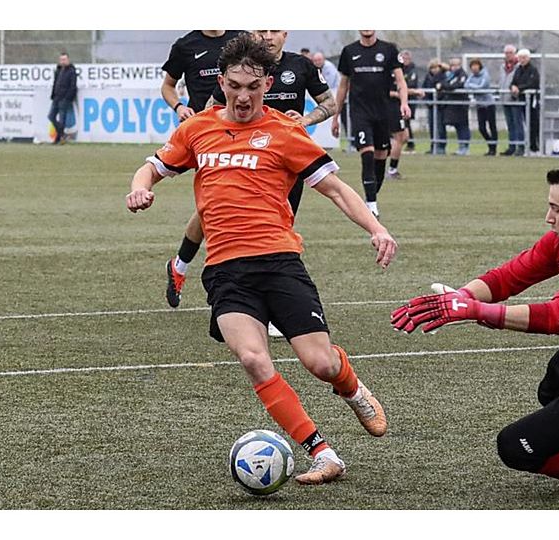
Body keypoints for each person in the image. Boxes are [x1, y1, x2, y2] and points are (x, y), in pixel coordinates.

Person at [126, 33, 396, 486]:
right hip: (227, 271)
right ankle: (322, 452)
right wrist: (140, 187)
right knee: (253, 359)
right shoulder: (197, 129)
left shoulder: (285, 132)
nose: (244, 95)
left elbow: (333, 189)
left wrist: (376, 227)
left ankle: (349, 385)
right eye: (235, 85)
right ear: (222, 82)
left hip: (280, 264)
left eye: (253, 87)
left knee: (320, 363)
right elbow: (152, 166)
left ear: (267, 84)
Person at [390, 159, 559, 485]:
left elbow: (556, 315)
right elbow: (510, 276)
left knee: (515, 447)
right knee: (551, 386)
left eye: (556, 208)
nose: (548, 217)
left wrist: (475, 311)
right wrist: (463, 295)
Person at [164, 30, 336, 335]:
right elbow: (209, 107)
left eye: (274, 30)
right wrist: (201, 135)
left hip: (284, 160)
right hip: (237, 152)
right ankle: (182, 266)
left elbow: (329, 103)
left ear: (285, 33)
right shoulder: (233, 62)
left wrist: (306, 120)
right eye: (261, 29)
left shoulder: (300, 66)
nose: (268, 36)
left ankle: (270, 304)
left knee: (279, 225)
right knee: (208, 214)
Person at [331, 31, 410, 218]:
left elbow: (400, 81)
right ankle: (372, 205)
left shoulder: (389, 50)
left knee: (381, 156)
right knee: (367, 153)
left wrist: (404, 103)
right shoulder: (349, 51)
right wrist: (336, 116)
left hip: (383, 113)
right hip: (360, 113)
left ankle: (371, 198)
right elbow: (343, 86)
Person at [161, 30, 246, 119]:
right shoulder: (184, 46)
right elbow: (167, 86)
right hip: (201, 120)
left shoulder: (242, 39)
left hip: (238, 119)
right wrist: (179, 107)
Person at [465, 58, 498, 156]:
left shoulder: (485, 75)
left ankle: (493, 148)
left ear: (480, 66)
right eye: (472, 66)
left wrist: (472, 86)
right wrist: (473, 86)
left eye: (476, 65)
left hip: (489, 104)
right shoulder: (471, 76)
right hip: (480, 105)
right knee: (481, 128)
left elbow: (482, 87)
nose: (474, 68)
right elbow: (466, 85)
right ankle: (490, 144)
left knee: (492, 126)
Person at [512, 49, 541, 154]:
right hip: (521, 101)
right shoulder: (518, 69)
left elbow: (533, 83)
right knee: (522, 123)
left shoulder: (533, 70)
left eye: (524, 57)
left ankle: (535, 147)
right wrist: (513, 87)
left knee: (533, 123)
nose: (522, 60)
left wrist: (519, 88)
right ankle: (525, 146)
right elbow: (513, 82)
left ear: (529, 58)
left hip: (532, 101)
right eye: (520, 58)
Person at [47, 52, 78, 145]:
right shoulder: (58, 70)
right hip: (56, 97)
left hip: (64, 99)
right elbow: (55, 83)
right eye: (61, 59)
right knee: (51, 116)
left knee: (62, 120)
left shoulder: (72, 71)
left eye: (64, 59)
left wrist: (67, 98)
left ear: (68, 60)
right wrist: (53, 95)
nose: (63, 61)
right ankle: (62, 135)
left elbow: (73, 87)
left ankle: (58, 139)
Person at [443, 57, 471, 156]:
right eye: (452, 65)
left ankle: (465, 147)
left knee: (463, 126)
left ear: (460, 65)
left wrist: (447, 87)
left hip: (461, 105)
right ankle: (461, 146)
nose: (453, 67)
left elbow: (458, 85)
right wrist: (446, 86)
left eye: (455, 65)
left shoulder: (463, 75)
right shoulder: (451, 75)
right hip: (452, 105)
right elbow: (444, 84)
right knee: (457, 126)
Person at [499, 44, 523, 156]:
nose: (508, 55)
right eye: (506, 53)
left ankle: (520, 146)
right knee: (510, 125)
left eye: (510, 53)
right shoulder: (502, 66)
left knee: (518, 124)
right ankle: (511, 146)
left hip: (515, 99)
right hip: (505, 99)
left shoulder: (519, 67)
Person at [399, 50, 424, 153]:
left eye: (407, 58)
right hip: (398, 101)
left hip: (409, 101)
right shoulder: (398, 69)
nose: (405, 61)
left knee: (406, 122)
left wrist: (404, 90)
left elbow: (411, 84)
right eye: (403, 58)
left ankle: (410, 144)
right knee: (402, 123)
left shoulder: (412, 71)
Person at [422, 59, 448, 155]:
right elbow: (424, 89)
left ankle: (441, 146)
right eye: (432, 68)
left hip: (440, 106)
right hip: (431, 106)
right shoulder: (428, 77)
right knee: (432, 126)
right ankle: (433, 146)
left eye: (436, 67)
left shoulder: (443, 76)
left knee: (440, 127)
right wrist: (427, 101)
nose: (434, 70)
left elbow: (445, 87)